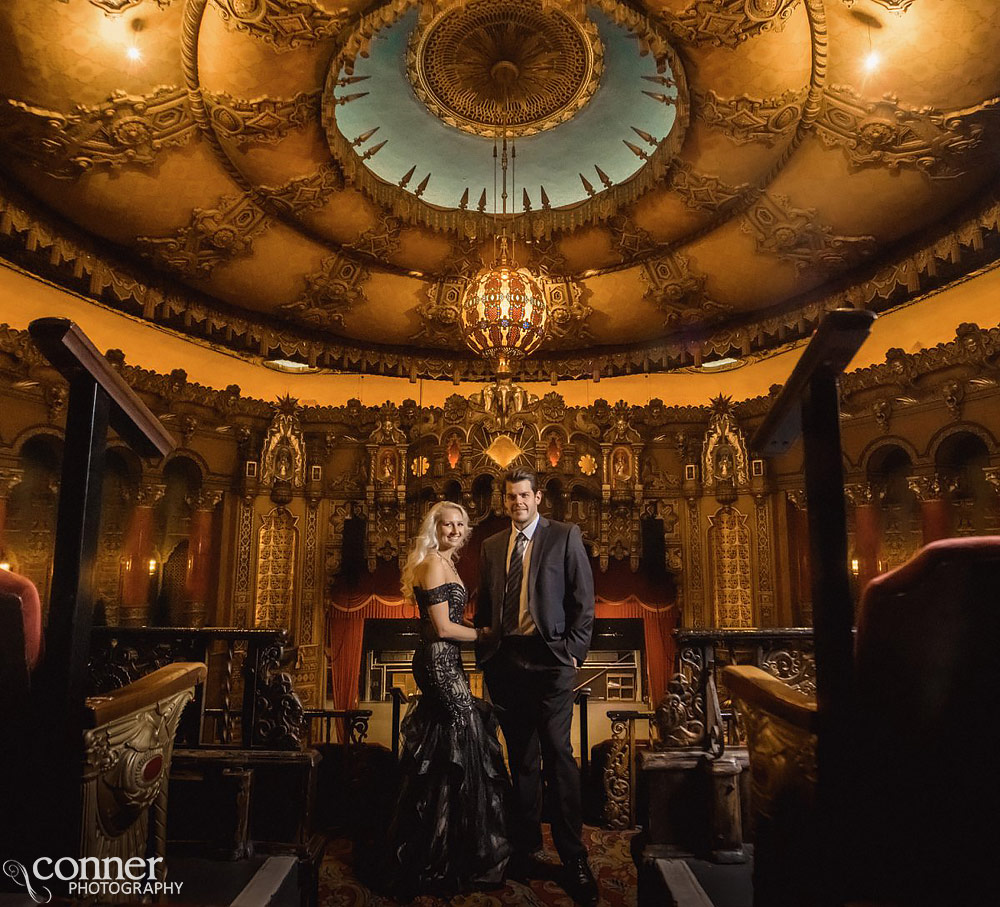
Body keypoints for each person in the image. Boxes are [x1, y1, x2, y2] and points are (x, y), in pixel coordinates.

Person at [475, 468, 598, 907]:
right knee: (521, 760)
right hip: (506, 662)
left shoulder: (564, 536)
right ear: (503, 500)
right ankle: (527, 848)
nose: (517, 503)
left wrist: (573, 653)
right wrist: (487, 654)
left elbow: (584, 600)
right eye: (510, 497)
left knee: (558, 755)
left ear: (537, 497)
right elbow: (485, 605)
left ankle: (573, 856)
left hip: (551, 662)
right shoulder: (491, 546)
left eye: (524, 496)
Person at [387, 501, 510, 897]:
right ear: (434, 527)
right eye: (447, 524)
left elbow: (450, 620)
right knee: (465, 736)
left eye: (460, 525)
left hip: (444, 661)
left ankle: (446, 846)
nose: (455, 531)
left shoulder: (446, 562)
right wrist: (490, 636)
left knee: (450, 745)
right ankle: (444, 855)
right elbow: (442, 627)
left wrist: (475, 627)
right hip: (440, 662)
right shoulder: (435, 565)